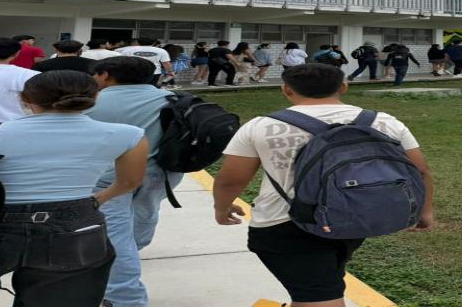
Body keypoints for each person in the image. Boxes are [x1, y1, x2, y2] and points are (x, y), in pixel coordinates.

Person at [212, 63, 434, 307]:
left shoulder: (260, 126)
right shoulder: (385, 121)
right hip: (353, 218)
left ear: (286, 90)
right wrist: (423, 210)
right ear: (343, 87)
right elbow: (420, 170)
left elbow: (230, 180)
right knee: (318, 291)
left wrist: (222, 208)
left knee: (318, 296)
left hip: (283, 226)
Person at [0, 71, 149, 307]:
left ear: (24, 98)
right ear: (95, 97)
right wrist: (99, 199)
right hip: (74, 226)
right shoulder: (127, 135)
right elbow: (130, 182)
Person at [89, 56, 184, 307]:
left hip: (111, 177)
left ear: (105, 75)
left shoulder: (92, 101)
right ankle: (128, 257)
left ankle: (125, 298)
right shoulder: (172, 98)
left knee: (115, 235)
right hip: (161, 173)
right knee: (144, 217)